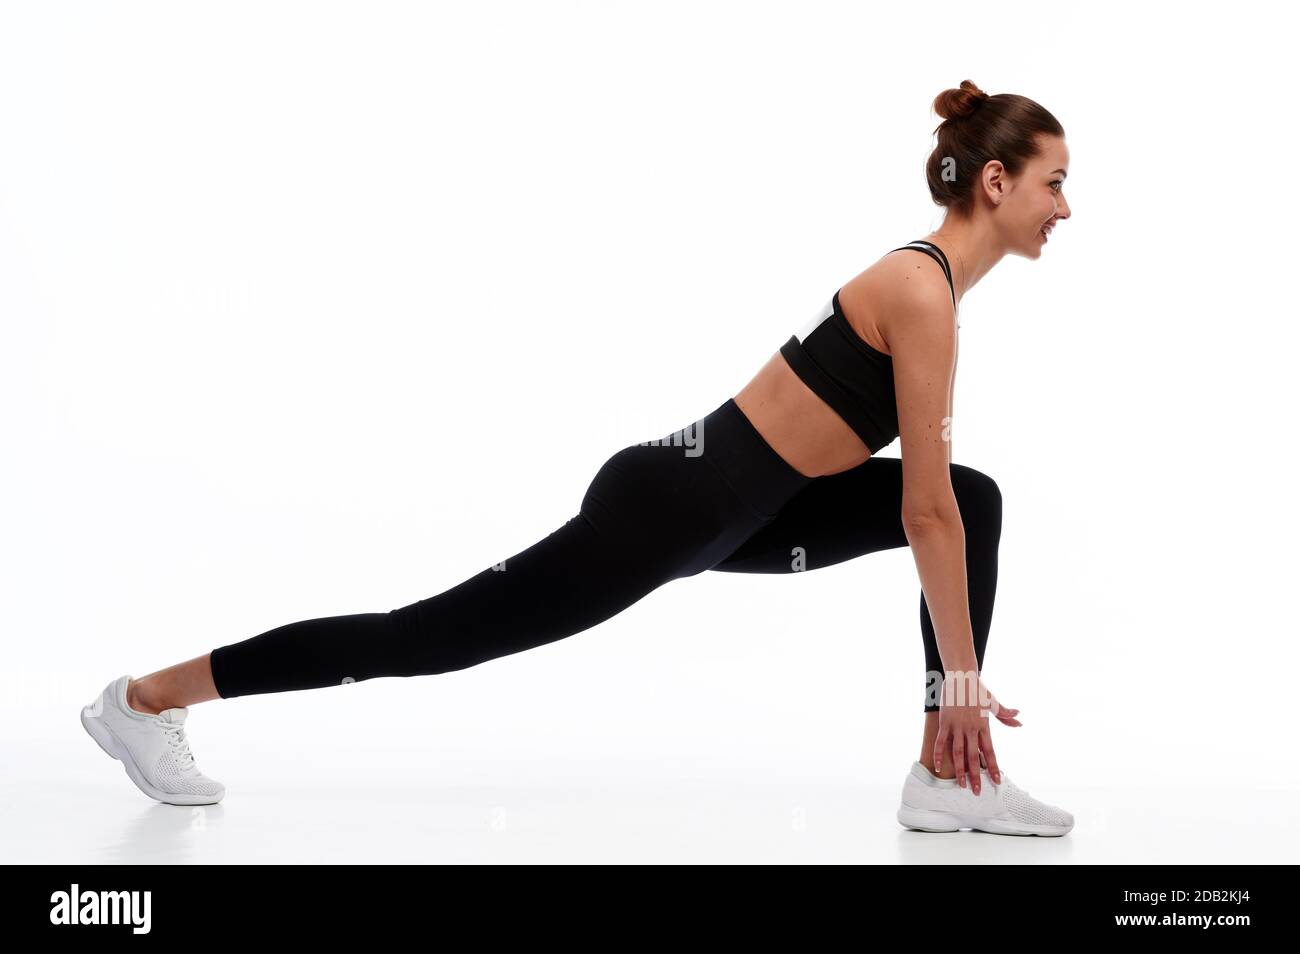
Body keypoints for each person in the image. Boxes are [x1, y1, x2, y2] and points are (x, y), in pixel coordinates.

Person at [82, 80, 1075, 836]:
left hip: (746, 510)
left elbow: (940, 505)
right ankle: (145, 699)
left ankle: (944, 781)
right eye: (1053, 183)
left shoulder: (931, 288)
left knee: (976, 498)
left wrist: (956, 678)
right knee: (418, 638)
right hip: (674, 507)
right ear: (995, 182)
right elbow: (921, 514)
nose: (1063, 207)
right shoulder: (922, 291)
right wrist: (959, 684)